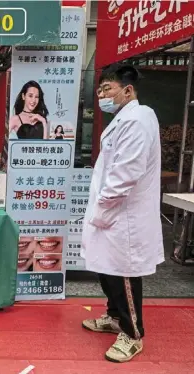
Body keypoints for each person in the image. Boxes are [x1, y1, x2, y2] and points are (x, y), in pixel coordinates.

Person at [81, 64, 164, 363]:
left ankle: (132, 333)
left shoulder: (138, 119)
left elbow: (125, 174)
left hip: (123, 215)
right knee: (108, 270)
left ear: (128, 90)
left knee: (124, 274)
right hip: (111, 213)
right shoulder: (123, 119)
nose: (102, 95)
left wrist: (103, 207)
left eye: (108, 89)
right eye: (100, 90)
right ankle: (115, 316)